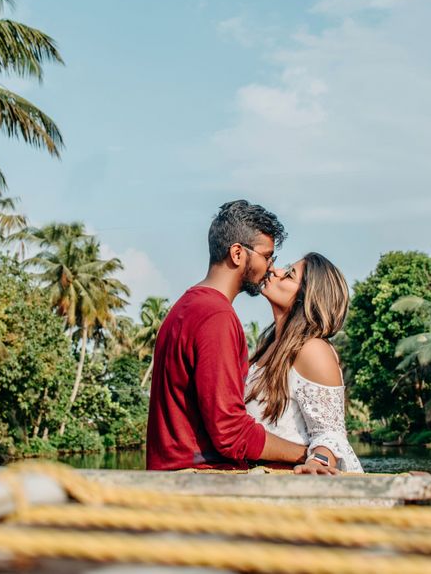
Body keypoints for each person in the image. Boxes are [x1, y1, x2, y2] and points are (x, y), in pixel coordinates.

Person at [146, 200, 336, 473]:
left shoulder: (185, 307)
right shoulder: (217, 317)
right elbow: (230, 431)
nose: (271, 267)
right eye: (267, 256)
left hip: (173, 479)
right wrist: (304, 454)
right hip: (201, 484)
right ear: (237, 253)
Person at [246, 253, 364, 473]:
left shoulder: (313, 350)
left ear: (307, 297)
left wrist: (317, 462)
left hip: (294, 486)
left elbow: (331, 433)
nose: (276, 271)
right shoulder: (268, 347)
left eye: (289, 275)